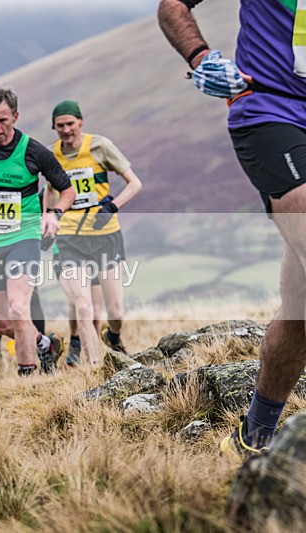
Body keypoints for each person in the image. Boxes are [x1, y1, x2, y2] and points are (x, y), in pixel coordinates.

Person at [158, 0, 306, 459]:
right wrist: (201, 57)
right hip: (271, 113)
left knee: (299, 306)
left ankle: (252, 436)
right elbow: (172, 5)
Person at [0, 87, 75, 375]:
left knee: (19, 308)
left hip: (24, 237)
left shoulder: (33, 151)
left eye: (3, 120)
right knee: (2, 324)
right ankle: (45, 344)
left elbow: (67, 190)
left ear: (15, 117)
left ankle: (27, 374)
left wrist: (54, 214)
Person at [44, 100, 142, 367]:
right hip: (70, 239)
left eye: (70, 124)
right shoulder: (52, 154)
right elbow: (50, 190)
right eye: (60, 126)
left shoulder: (100, 146)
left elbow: (135, 183)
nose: (65, 130)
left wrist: (111, 206)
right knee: (85, 306)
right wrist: (49, 219)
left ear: (81, 122)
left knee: (116, 312)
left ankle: (114, 335)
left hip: (105, 236)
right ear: (54, 127)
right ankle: (94, 368)